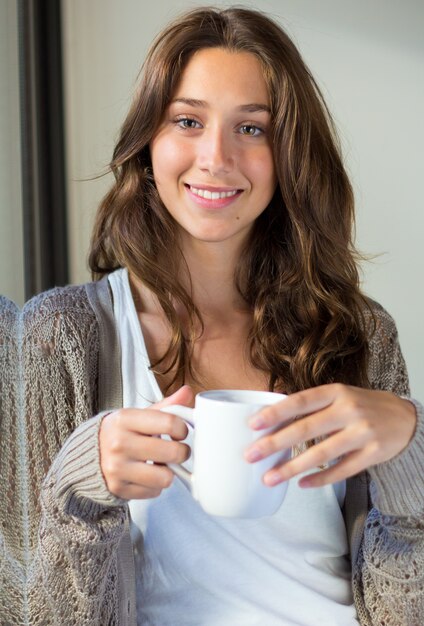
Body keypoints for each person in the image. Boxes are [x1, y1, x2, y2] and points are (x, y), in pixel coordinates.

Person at [21, 6, 423, 626]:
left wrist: (409, 448)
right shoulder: (61, 338)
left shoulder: (361, 333)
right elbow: (40, 610)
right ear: (147, 141)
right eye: (187, 120)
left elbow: (404, 607)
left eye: (253, 129)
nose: (216, 157)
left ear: (289, 151)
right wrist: (82, 482)